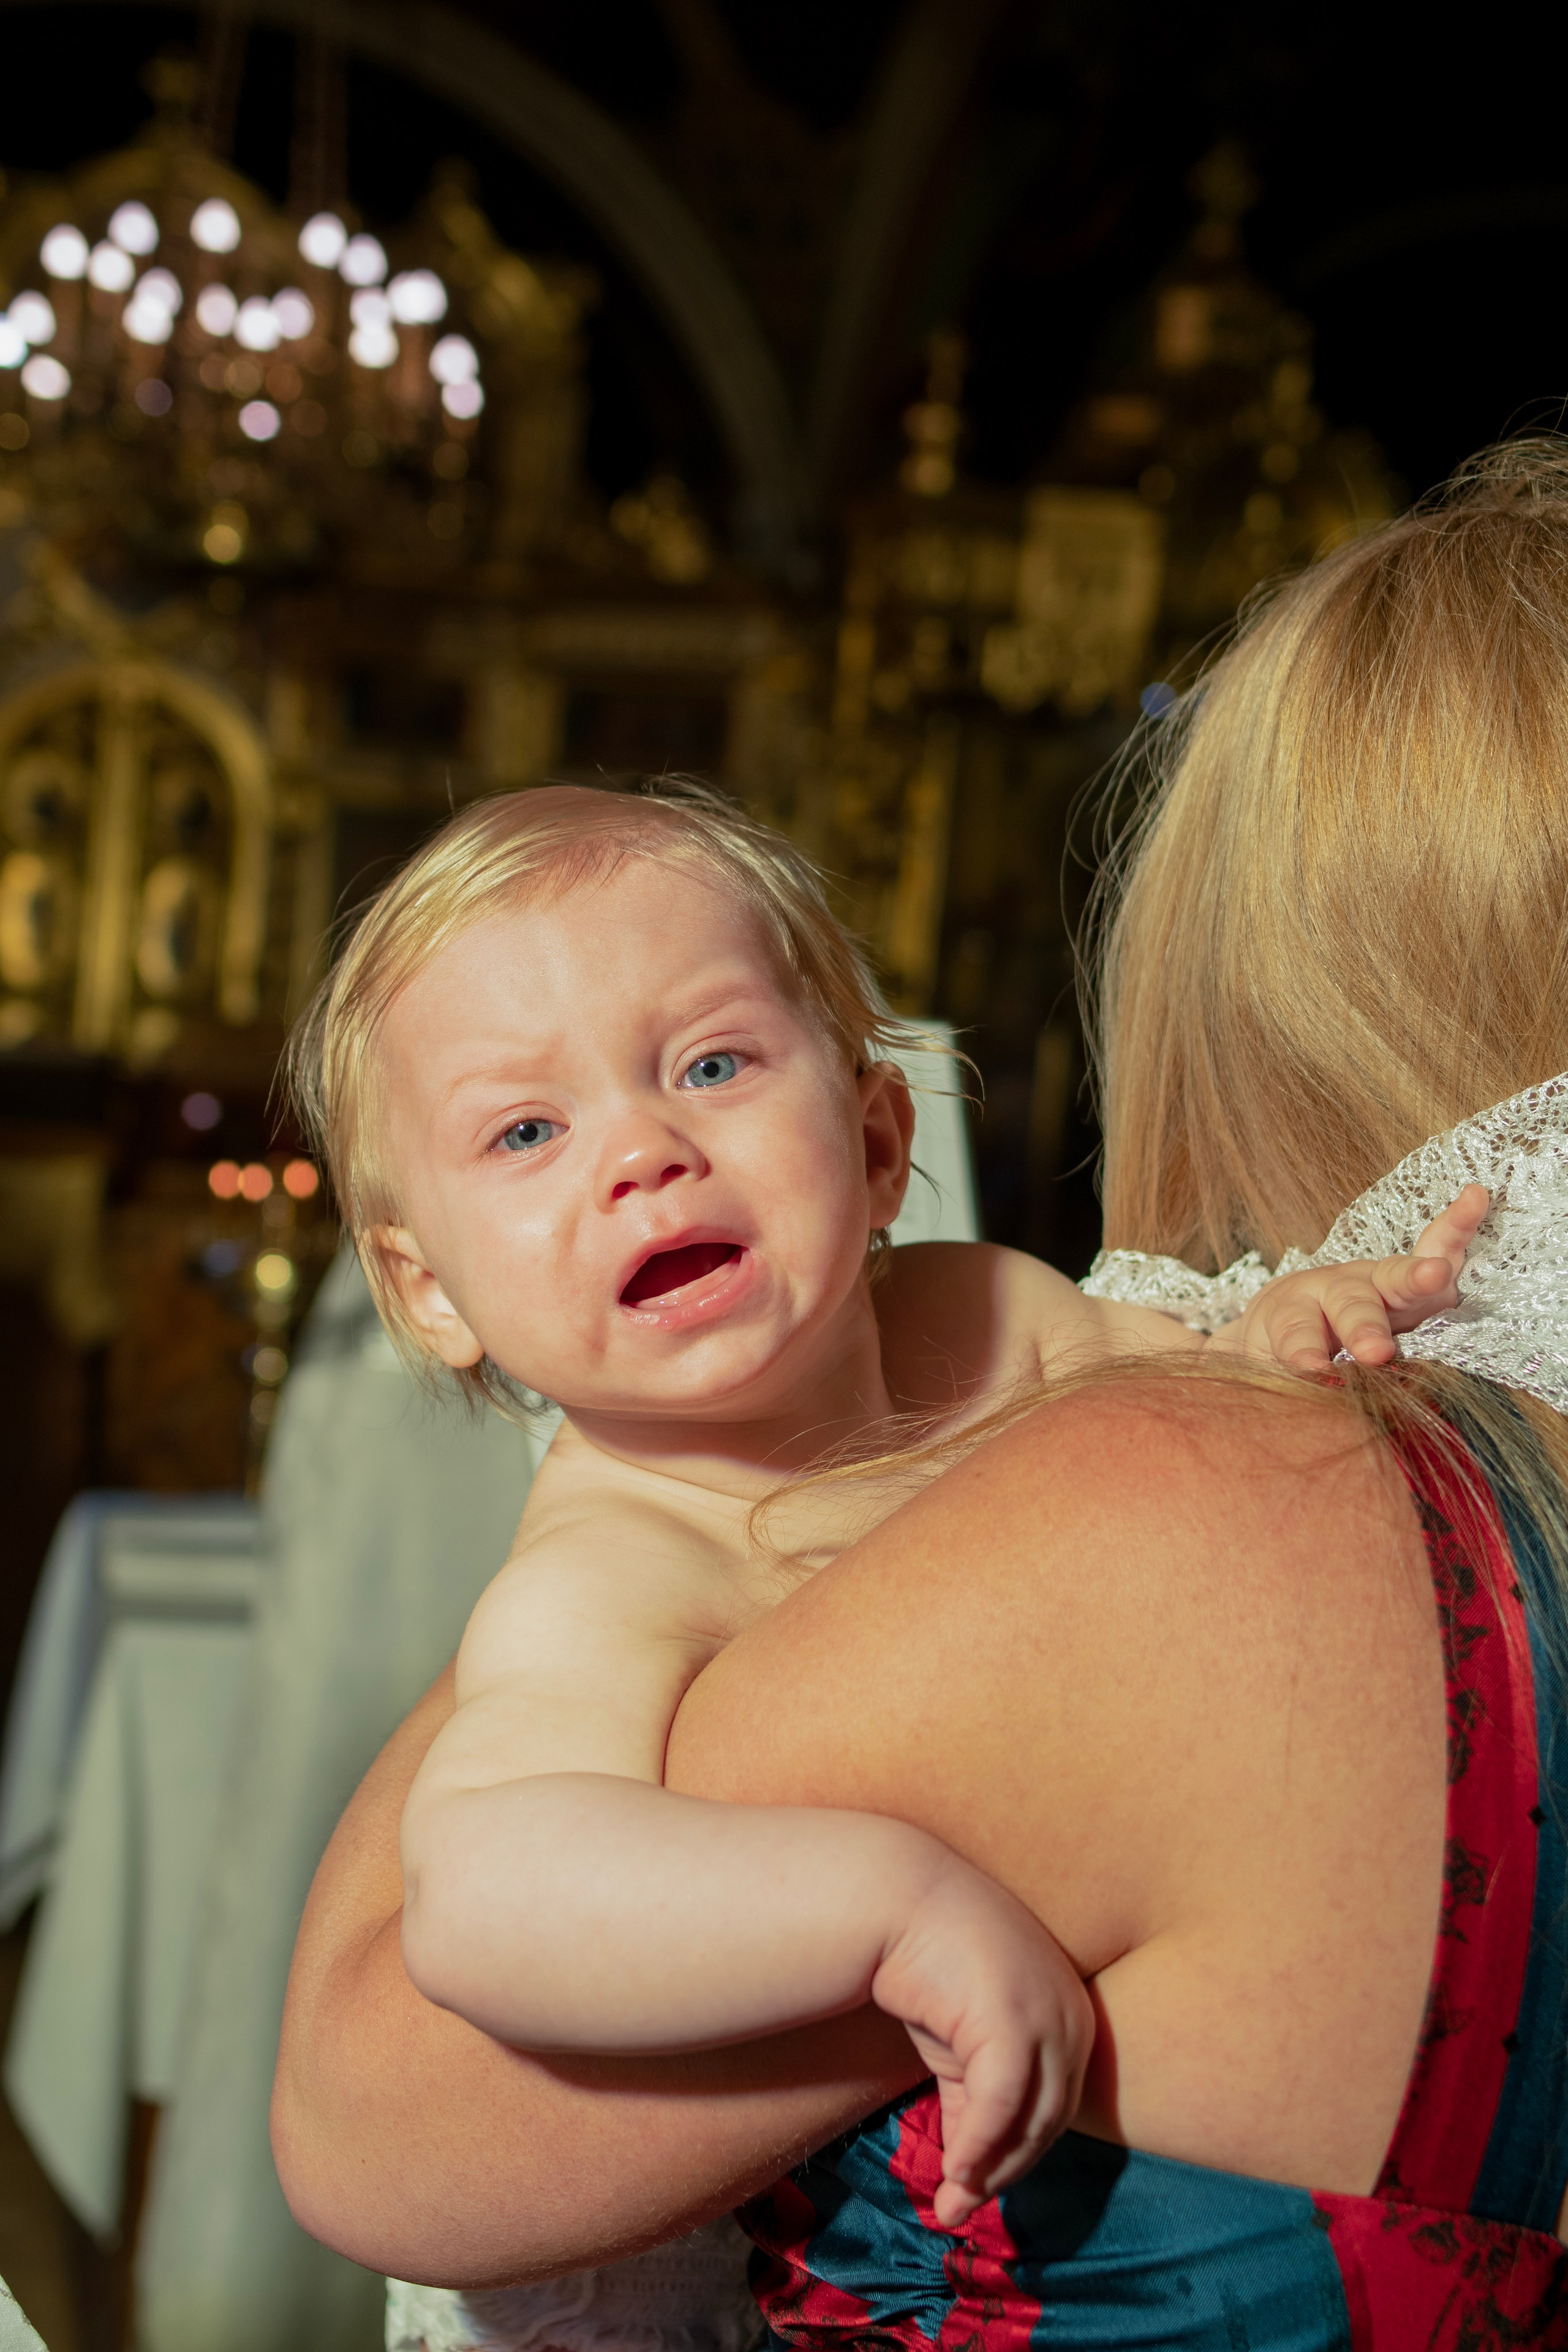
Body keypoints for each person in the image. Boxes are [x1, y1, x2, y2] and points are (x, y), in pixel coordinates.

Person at [273, 440, 1568, 2346]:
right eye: (530, 1129)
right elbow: (482, 1900)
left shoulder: (993, 1321)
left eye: (713, 1068)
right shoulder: (607, 1570)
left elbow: (1189, 1349)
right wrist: (882, 1905)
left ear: (881, 1136)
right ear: (429, 1295)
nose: (641, 1154)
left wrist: (1286, 1325)